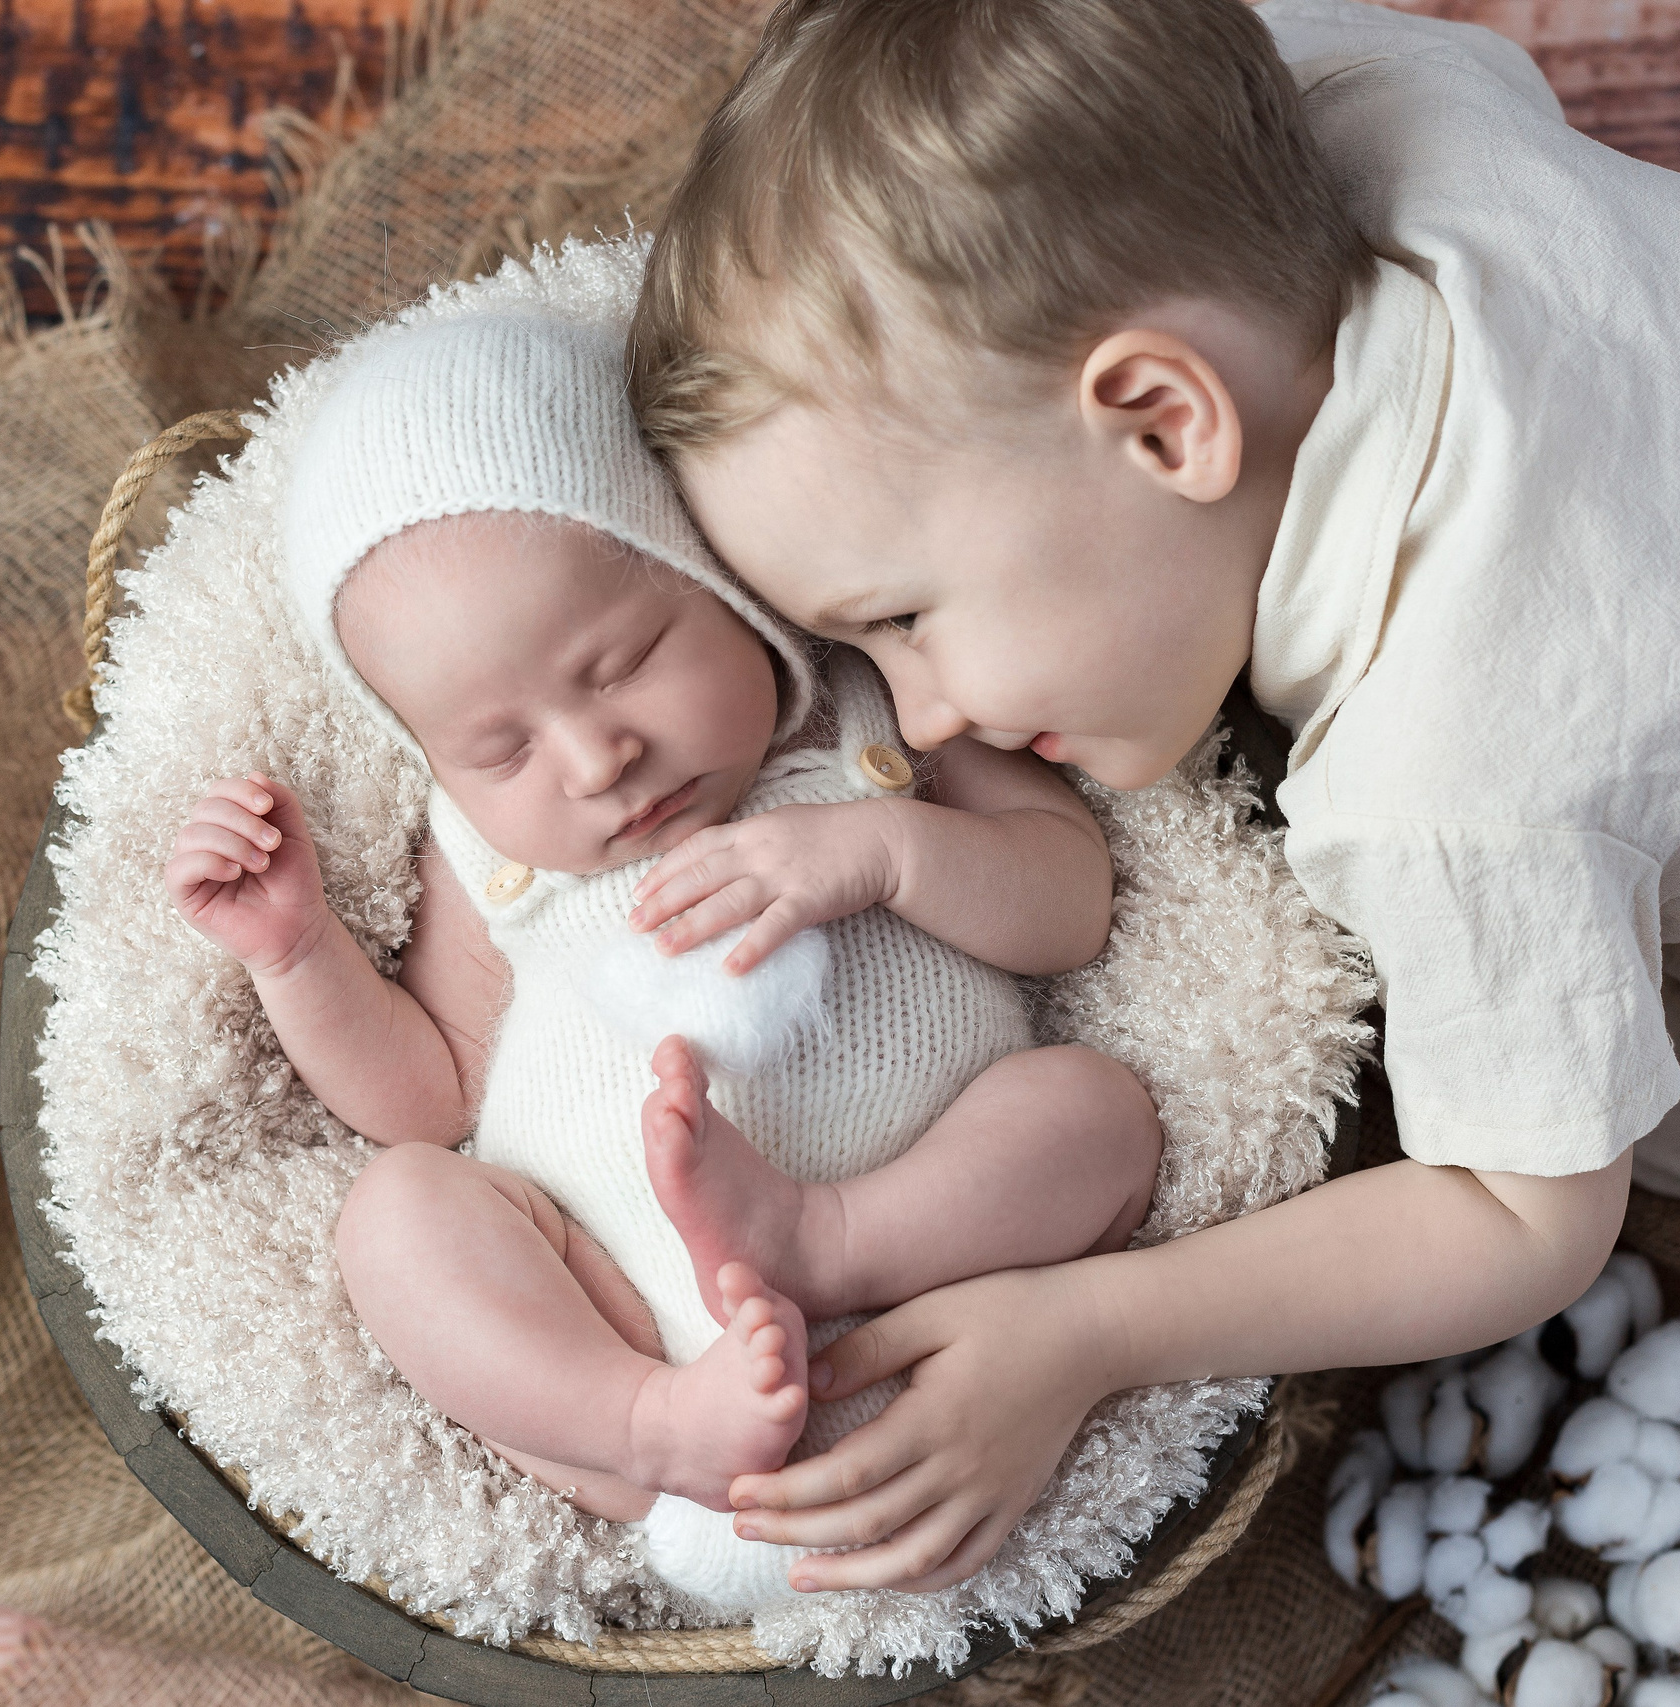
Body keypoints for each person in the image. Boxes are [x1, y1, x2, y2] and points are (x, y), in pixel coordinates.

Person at [626, 0, 1680, 1592]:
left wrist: (1090, 1329)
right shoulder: (1380, 96)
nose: (918, 710)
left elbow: (1521, 1221)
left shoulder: (1452, 778)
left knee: (1619, 1088)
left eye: (904, 619)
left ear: (1164, 420)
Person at [161, 292, 1163, 1607]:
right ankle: (638, 1433)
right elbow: (430, 1097)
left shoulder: (881, 702)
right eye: (499, 748)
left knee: (1096, 1111)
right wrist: (294, 951)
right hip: (632, 1320)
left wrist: (889, 854)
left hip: (942, 1262)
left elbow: (1071, 899)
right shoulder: (484, 856)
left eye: (626, 659)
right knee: (396, 1218)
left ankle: (831, 1240)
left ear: (718, 574)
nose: (594, 759)